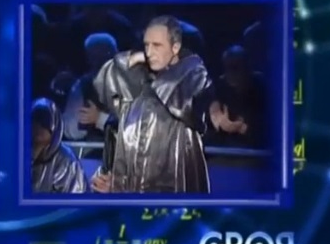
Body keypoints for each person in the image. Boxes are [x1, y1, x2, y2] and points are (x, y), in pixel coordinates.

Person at [90, 15, 244, 194]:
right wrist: (114, 182)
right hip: (133, 192)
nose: (149, 52)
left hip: (171, 191)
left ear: (176, 48)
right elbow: (109, 79)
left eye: (157, 45)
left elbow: (201, 95)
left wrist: (216, 114)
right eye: (146, 45)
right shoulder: (139, 87)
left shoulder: (190, 78)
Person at [63, 33, 118, 141]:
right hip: (94, 146)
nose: (101, 61)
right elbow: (72, 130)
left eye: (105, 55)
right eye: (95, 57)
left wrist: (100, 118)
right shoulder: (83, 85)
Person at [32, 98, 89, 193]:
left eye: (45, 122)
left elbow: (78, 195)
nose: (39, 127)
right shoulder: (15, 154)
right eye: (35, 121)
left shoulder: (66, 159)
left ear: (55, 126)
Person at [214, 45, 266, 148]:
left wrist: (243, 128)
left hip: (255, 150)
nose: (231, 73)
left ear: (247, 68)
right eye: (227, 68)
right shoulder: (220, 88)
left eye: (235, 68)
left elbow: (264, 129)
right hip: (227, 149)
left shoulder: (261, 88)